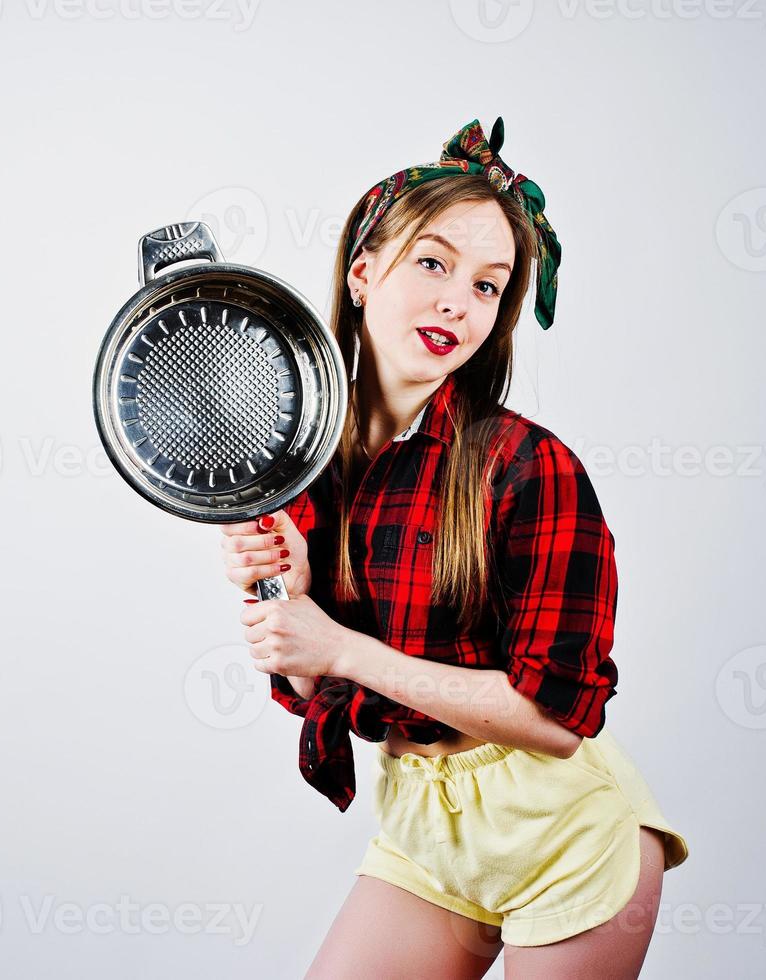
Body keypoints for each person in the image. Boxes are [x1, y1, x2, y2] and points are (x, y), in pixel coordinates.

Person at [219, 118, 690, 978]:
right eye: (432, 263)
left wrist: (338, 644)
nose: (455, 301)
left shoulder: (529, 467)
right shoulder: (304, 466)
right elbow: (313, 684)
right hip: (423, 826)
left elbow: (556, 721)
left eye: (487, 285)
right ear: (362, 272)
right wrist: (288, 606)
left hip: (564, 834)